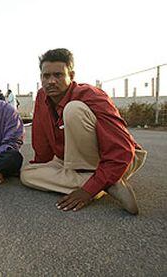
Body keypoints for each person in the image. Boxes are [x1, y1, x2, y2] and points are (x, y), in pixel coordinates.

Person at [20, 48, 147, 214]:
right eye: (46, 76)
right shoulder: (42, 97)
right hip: (72, 160)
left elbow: (122, 150)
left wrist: (87, 192)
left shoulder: (91, 96)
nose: (51, 81)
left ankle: (99, 180)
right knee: (27, 174)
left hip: (119, 159)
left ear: (71, 76)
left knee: (73, 110)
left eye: (58, 75)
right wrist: (42, 166)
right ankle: (109, 184)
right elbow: (41, 142)